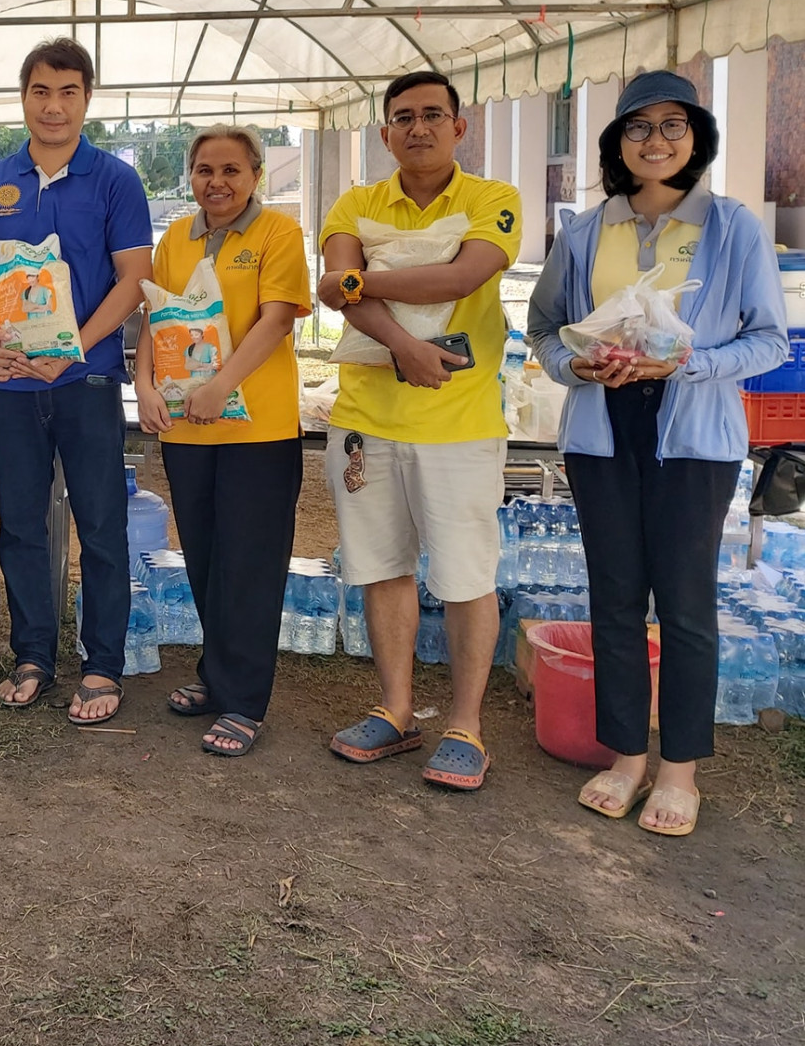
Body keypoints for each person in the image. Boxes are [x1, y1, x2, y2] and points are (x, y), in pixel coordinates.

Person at [528, 71, 786, 836]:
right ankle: (624, 756)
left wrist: (686, 364)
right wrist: (571, 365)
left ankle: (678, 770)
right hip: (601, 431)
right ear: (615, 143)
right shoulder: (583, 232)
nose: (655, 141)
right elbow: (545, 329)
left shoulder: (731, 227)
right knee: (612, 598)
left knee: (683, 603)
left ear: (696, 138)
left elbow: (766, 339)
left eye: (673, 126)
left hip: (693, 437)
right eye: (638, 128)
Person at [315, 70, 521, 792]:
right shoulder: (356, 201)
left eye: (433, 114)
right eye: (402, 117)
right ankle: (397, 709)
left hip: (458, 423)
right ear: (384, 133)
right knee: (380, 567)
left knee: (465, 575)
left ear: (458, 127)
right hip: (365, 423)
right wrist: (402, 344)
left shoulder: (491, 200)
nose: (418, 128)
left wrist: (361, 280)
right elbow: (330, 288)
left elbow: (462, 278)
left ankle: (464, 725)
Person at [0, 38, 152, 725]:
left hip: (87, 381)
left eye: (68, 91)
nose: (54, 105)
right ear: (23, 97)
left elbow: (132, 281)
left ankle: (102, 664)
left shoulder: (114, 181)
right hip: (9, 384)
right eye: (41, 91)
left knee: (100, 524)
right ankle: (32, 652)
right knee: (22, 526)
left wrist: (74, 347)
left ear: (86, 99)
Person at [135, 126, 311, 755]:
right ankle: (217, 673)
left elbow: (276, 321)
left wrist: (221, 386)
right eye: (205, 169)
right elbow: (155, 319)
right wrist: (146, 384)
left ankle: (244, 700)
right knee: (207, 558)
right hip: (187, 428)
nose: (217, 182)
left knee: (250, 563)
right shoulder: (174, 239)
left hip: (256, 429)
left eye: (232, 170)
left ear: (256, 175)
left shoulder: (277, 234)